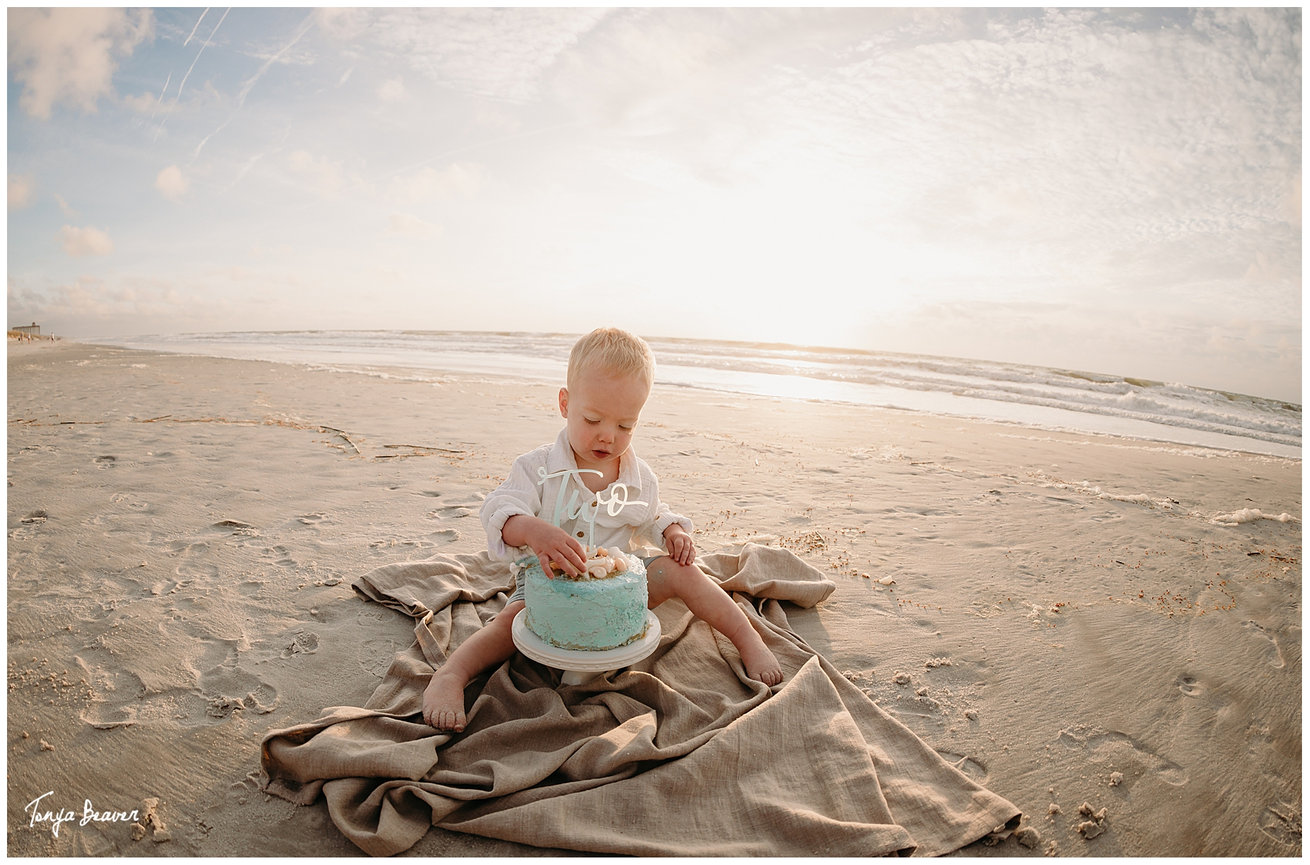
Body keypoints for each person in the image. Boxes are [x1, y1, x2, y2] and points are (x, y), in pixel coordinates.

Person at [422, 327, 783, 731]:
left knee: (682, 571)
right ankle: (452, 674)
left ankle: (747, 639)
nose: (608, 436)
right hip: (546, 586)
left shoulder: (637, 475)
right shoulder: (537, 468)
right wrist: (532, 530)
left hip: (619, 592)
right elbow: (499, 511)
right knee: (511, 622)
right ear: (565, 403)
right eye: (593, 419)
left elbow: (652, 515)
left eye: (626, 426)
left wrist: (672, 534)